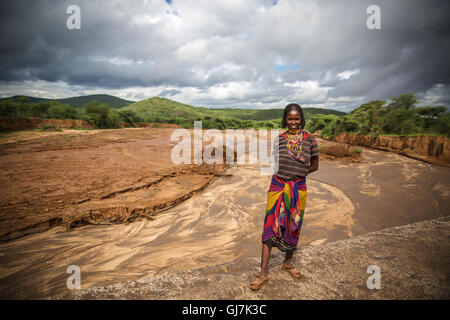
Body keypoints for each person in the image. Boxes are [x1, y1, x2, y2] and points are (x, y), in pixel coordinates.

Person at [249, 103, 319, 290]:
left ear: (301, 118)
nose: (293, 122)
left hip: (298, 188)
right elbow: (276, 162)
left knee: (293, 225)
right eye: (290, 118)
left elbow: (315, 166)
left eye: (297, 118)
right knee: (270, 226)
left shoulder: (310, 140)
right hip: (277, 186)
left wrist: (301, 171)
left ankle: (287, 262)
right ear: (285, 119)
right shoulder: (278, 139)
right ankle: (263, 274)